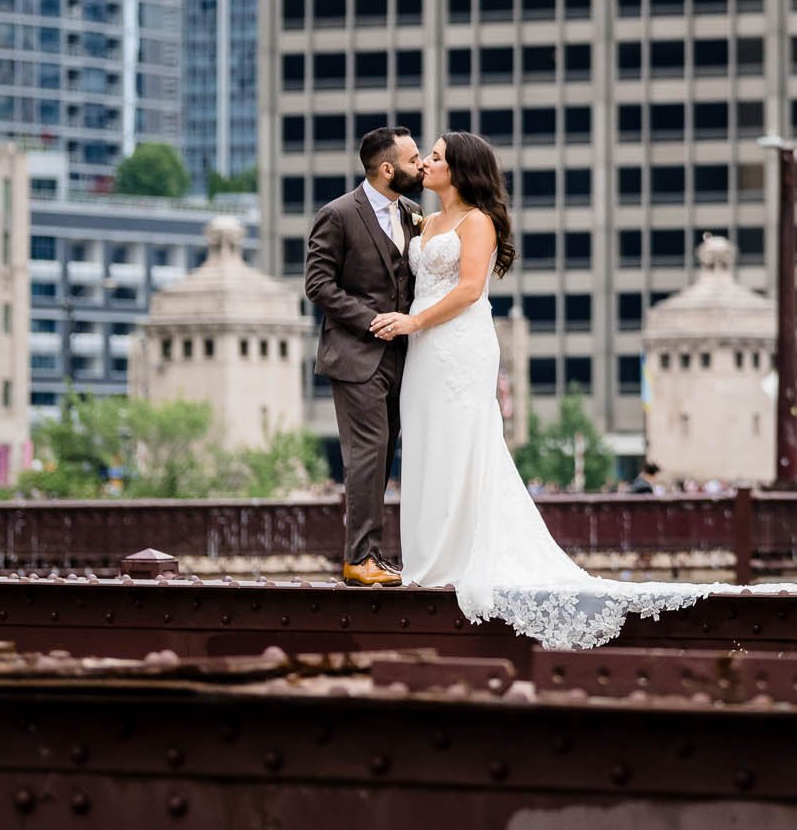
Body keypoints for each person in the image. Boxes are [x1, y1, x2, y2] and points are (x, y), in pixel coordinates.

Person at [365, 131, 715, 646]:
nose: (427, 164)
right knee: (426, 443)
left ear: (459, 170)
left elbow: (467, 289)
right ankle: (428, 557)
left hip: (458, 345)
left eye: (435, 157)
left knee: (463, 442)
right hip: (423, 353)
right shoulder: (425, 220)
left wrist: (412, 324)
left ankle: (459, 556)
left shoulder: (477, 221)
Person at [305, 126, 422, 588]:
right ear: (387, 168)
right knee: (367, 456)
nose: (422, 167)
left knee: (385, 453)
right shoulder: (337, 214)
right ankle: (360, 559)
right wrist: (374, 319)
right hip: (356, 354)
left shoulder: (413, 213)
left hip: (403, 356)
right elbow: (318, 285)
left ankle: (377, 553)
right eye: (414, 160)